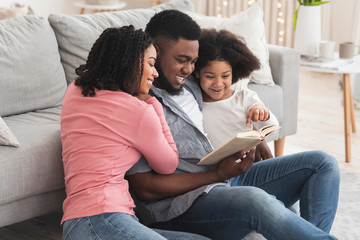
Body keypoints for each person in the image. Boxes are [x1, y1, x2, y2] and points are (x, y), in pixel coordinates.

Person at [126, 10, 340, 240]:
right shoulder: (137, 101)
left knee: (322, 164)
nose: (188, 70)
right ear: (153, 53)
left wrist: (251, 138)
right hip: (182, 205)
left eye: (193, 62)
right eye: (181, 60)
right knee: (256, 200)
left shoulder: (189, 83)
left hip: (226, 179)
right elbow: (144, 187)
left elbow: (224, 79)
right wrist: (216, 175)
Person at [60, 25, 210, 240]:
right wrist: (153, 104)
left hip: (81, 222)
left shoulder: (75, 89)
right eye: (151, 63)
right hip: (101, 217)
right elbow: (167, 165)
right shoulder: (138, 111)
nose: (155, 73)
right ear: (128, 63)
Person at [194, 28, 279, 159]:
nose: (218, 83)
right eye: (210, 77)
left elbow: (271, 126)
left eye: (225, 76)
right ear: (197, 73)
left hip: (250, 166)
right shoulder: (194, 103)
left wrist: (262, 112)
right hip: (218, 172)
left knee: (319, 159)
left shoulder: (246, 98)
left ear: (234, 72)